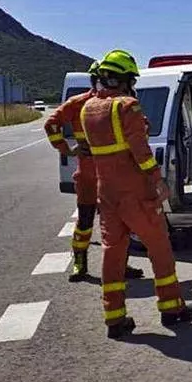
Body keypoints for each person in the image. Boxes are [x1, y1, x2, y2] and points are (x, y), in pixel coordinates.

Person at [80, 49, 192, 339]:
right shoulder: (126, 106)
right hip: (135, 191)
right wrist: (158, 180)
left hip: (107, 193)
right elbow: (141, 152)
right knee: (159, 247)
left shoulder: (87, 109)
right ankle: (171, 308)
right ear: (123, 80)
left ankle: (114, 318)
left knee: (112, 252)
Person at [44, 61, 144, 283]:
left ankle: (120, 264)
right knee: (87, 221)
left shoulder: (117, 102)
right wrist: (66, 149)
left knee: (120, 223)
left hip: (108, 176)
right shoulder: (81, 102)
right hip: (93, 177)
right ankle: (80, 263)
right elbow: (51, 124)